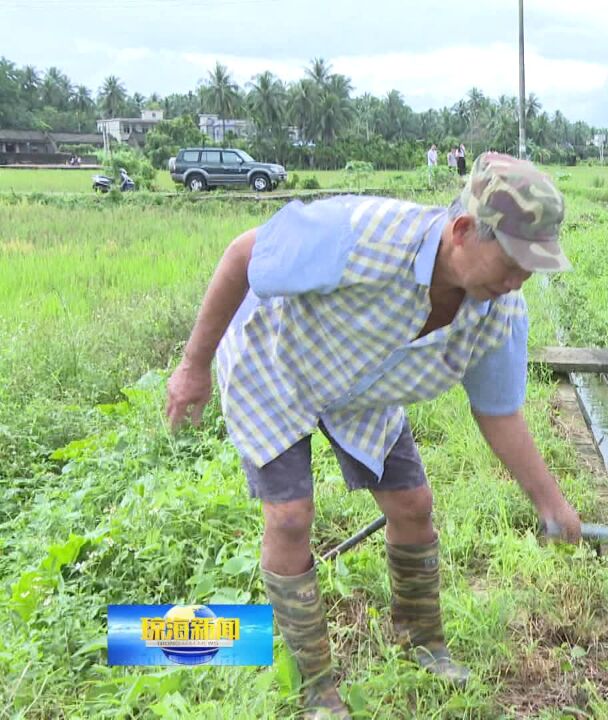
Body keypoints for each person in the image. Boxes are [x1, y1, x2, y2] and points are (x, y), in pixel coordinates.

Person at [165, 152, 581, 719]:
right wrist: (193, 366)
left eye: (531, 270)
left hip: (363, 386)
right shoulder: (359, 235)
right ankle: (317, 690)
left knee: (413, 505)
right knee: (290, 517)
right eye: (511, 263)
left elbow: (499, 412)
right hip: (278, 365)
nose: (516, 282)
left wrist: (550, 501)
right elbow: (243, 254)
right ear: (462, 231)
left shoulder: (499, 311)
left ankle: (422, 642)